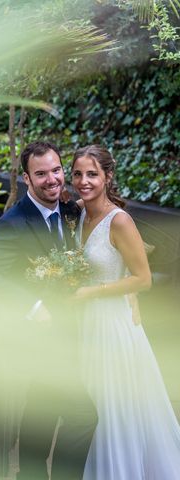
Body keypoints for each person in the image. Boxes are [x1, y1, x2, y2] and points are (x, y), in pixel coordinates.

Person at [0, 141, 97, 480]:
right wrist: (34, 305)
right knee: (82, 416)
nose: (52, 179)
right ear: (26, 179)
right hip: (38, 342)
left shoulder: (71, 212)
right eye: (41, 174)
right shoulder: (12, 223)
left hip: (72, 333)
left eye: (56, 170)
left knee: (41, 414)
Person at [70, 145, 180, 479]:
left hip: (111, 326)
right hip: (82, 325)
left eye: (92, 174)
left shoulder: (119, 222)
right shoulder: (75, 212)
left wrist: (94, 291)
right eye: (78, 174)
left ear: (107, 177)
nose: (84, 181)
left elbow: (143, 279)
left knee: (111, 409)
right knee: (88, 406)